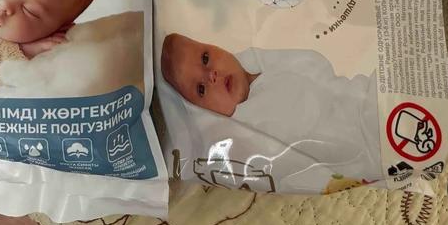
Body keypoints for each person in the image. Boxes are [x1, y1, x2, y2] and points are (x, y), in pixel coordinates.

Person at [160, 33, 384, 183]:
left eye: (205, 58)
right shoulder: (240, 131)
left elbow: (317, 66)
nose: (212, 75)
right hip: (369, 150)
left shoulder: (267, 66)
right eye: (201, 89)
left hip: (369, 100)